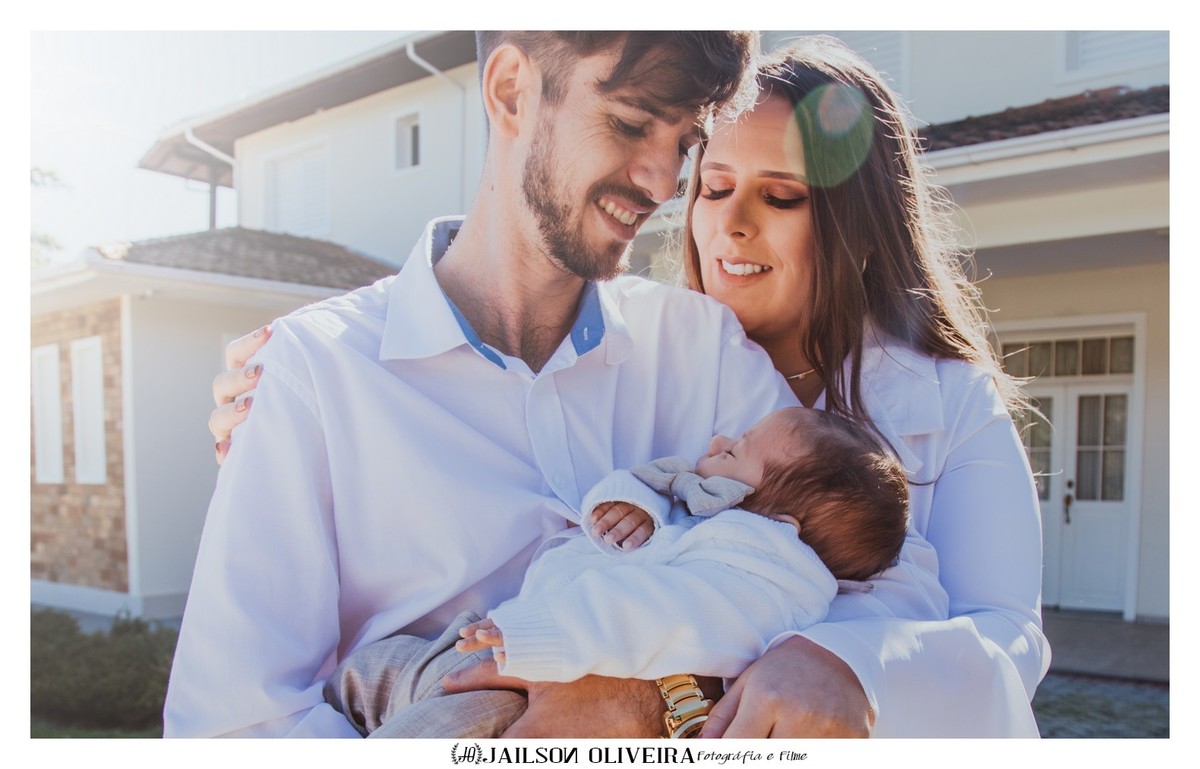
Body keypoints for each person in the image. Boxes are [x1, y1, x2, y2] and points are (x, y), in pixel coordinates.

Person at [199, 33, 1048, 738]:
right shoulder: (312, 373)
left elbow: (880, 586)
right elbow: (236, 721)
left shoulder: (706, 350)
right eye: (633, 123)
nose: (664, 184)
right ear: (509, 91)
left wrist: (650, 698)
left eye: (683, 145)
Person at [321, 406, 913, 738]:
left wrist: (537, 636)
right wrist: (632, 504)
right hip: (492, 645)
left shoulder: (764, 575)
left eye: (735, 451)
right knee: (367, 674)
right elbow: (647, 489)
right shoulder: (708, 522)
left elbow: (656, 614)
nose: (717, 440)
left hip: (533, 687)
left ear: (779, 524)